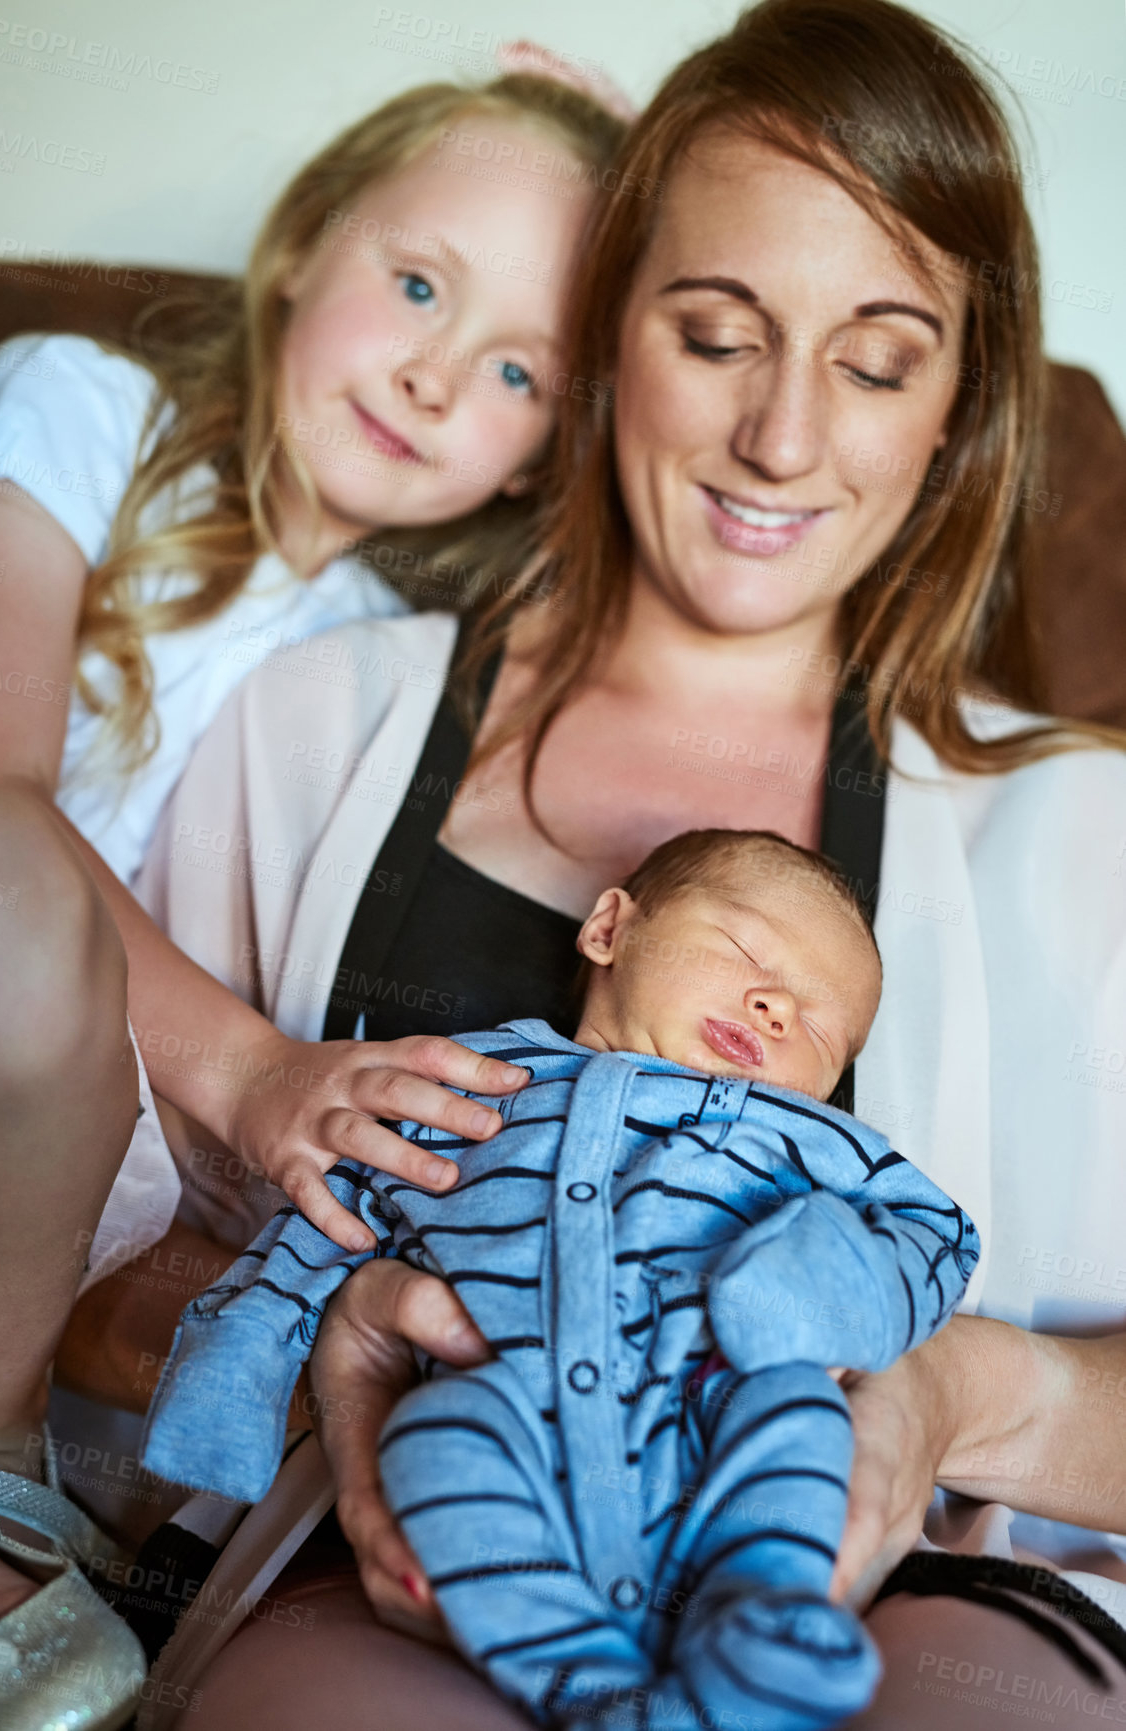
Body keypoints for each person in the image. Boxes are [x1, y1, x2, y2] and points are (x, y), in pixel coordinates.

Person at [127, 1, 1126, 1725]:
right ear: (607, 347)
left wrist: (954, 1395)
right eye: (720, 335)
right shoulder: (308, 729)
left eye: (879, 361)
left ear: (962, 405)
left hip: (901, 1604)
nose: (784, 441)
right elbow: (75, 1271)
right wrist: (339, 1367)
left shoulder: (1091, 834)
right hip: (411, 1576)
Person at [0, 66, 626, 1728]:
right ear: (301, 247)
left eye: (516, 372)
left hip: (92, 1149)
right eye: (418, 283)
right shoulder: (79, 407)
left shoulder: (383, 671)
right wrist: (257, 1069)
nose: (428, 370)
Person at [143, 827, 981, 1728]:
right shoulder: (468, 1083)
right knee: (436, 1445)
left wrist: (819, 1289)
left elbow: (939, 1235)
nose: (778, 1007)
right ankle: (595, 1691)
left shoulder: (815, 1146)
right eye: (745, 950)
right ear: (609, 928)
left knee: (798, 1422)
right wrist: (235, 1374)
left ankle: (760, 1614)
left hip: (710, 1412)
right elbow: (333, 1204)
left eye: (823, 1026)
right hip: (509, 1409)